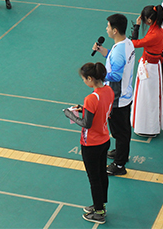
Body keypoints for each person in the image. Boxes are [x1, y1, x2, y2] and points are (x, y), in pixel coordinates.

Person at [63, 62, 114, 224]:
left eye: (84, 79)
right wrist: (83, 109)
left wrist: (70, 115)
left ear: (90, 78)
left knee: (94, 178)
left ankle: (99, 212)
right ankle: (101, 204)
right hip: (104, 139)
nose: (84, 81)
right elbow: (101, 110)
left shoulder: (91, 98)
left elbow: (87, 124)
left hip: (91, 144)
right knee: (102, 174)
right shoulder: (109, 90)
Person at [92, 14, 136, 175]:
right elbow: (116, 60)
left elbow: (116, 76)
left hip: (117, 98)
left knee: (120, 132)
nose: (106, 29)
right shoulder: (127, 44)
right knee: (122, 130)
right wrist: (103, 51)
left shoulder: (119, 51)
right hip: (126, 93)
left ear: (115, 30)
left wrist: (99, 75)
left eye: (108, 27)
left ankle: (119, 165)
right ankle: (120, 152)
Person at [131, 5, 163, 136]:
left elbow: (134, 43)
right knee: (149, 97)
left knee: (147, 98)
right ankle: (148, 126)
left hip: (150, 69)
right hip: (151, 66)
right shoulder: (157, 29)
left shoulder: (154, 34)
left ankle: (147, 128)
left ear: (149, 20)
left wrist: (136, 26)